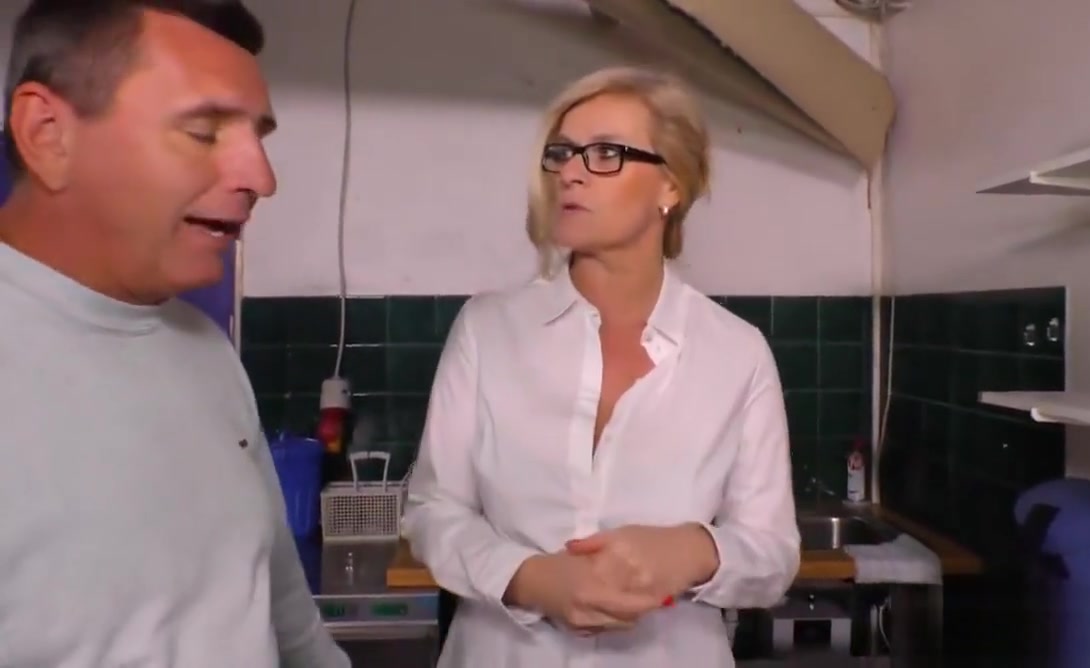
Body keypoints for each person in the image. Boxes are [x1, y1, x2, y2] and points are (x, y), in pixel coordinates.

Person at [403, 65, 801, 667]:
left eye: (607, 153)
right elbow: (433, 512)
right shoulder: (487, 330)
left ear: (671, 185)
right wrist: (530, 579)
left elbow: (773, 552)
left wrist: (693, 550)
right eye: (562, 152)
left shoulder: (737, 354)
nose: (570, 171)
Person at [0, 2, 349, 667]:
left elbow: (288, 620)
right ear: (47, 133)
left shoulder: (205, 348)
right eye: (204, 131)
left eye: (258, 137)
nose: (262, 178)